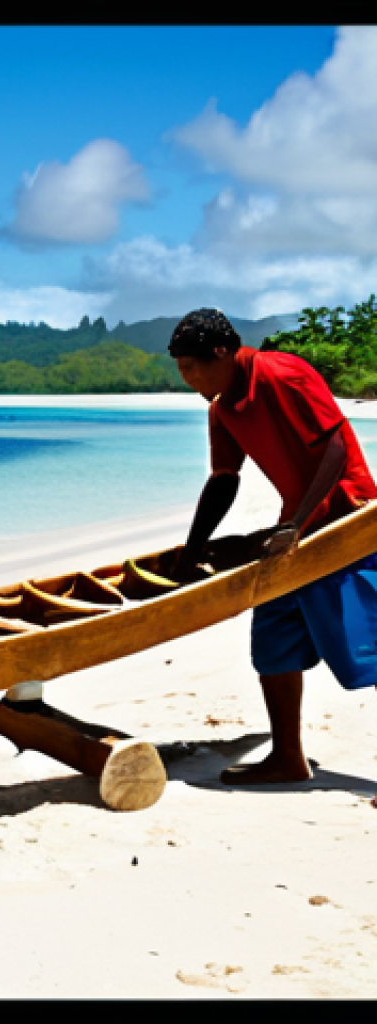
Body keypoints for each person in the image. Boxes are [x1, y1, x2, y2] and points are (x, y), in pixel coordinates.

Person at [169, 308, 377, 785]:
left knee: (368, 644)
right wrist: (192, 549)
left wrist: (299, 525)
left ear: (222, 353)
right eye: (182, 370)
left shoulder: (284, 374)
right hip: (295, 528)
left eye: (192, 368)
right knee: (274, 641)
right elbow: (224, 480)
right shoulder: (222, 408)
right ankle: (288, 757)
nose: (188, 379)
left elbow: (336, 448)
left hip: (350, 520)